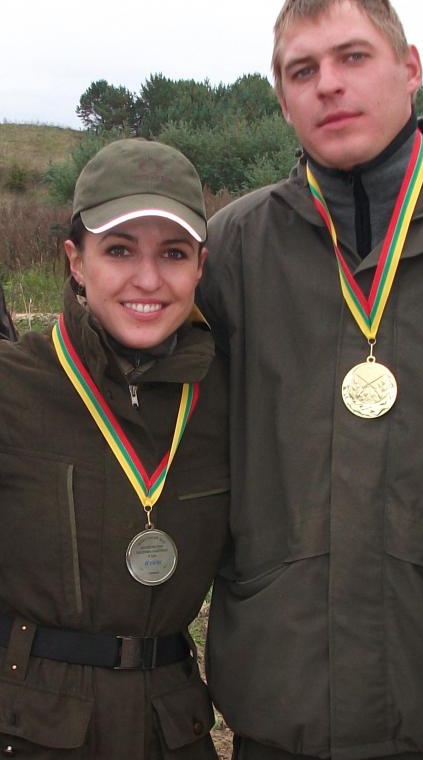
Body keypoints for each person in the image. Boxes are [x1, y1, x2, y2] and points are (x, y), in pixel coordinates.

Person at [197, 0, 423, 760]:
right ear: (283, 101)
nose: (327, 83)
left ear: (410, 68)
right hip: (283, 707)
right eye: (302, 70)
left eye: (352, 56)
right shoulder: (230, 248)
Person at [0, 138, 229, 759]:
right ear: (76, 261)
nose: (147, 279)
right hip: (31, 730)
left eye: (173, 253)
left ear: (200, 266)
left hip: (172, 730)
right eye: (119, 250)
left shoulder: (227, 400)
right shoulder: (13, 386)